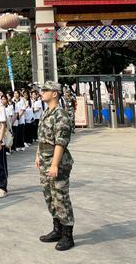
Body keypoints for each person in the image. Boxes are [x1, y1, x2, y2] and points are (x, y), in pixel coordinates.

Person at [35, 81, 75, 251]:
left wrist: (54, 164)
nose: (42, 92)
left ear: (55, 93)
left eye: (45, 90)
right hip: (45, 160)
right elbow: (42, 137)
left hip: (57, 162)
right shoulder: (46, 113)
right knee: (49, 196)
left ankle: (67, 235)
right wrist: (38, 154)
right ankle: (57, 229)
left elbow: (61, 142)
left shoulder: (61, 115)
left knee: (60, 197)